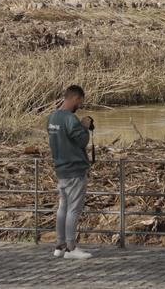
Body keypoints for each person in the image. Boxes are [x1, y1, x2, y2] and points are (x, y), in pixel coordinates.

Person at [47, 84, 93, 260]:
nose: (80, 106)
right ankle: (71, 248)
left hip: (60, 168)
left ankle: (60, 245)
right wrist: (85, 126)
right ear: (75, 98)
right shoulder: (70, 119)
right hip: (74, 169)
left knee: (63, 208)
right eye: (80, 102)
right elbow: (82, 141)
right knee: (73, 209)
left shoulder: (52, 117)